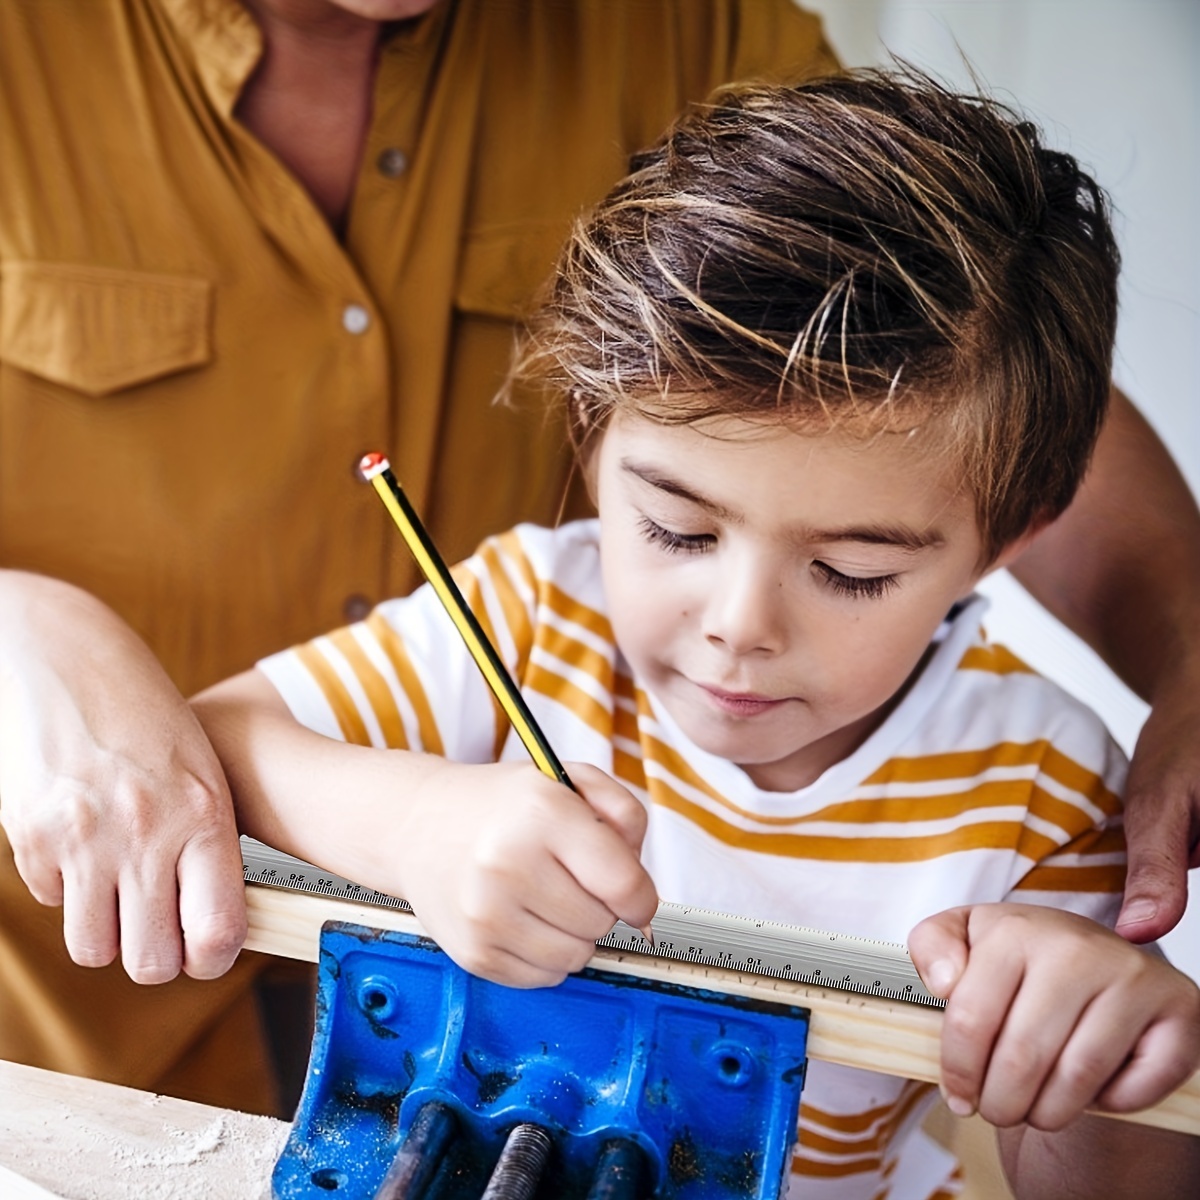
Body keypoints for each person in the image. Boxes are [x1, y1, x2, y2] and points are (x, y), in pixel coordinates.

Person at [1, 0, 1198, 1115]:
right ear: (587, 432)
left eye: (853, 570)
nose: (741, 624)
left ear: (1011, 536)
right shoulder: (533, 608)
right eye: (676, 528)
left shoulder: (1042, 787)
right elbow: (230, 733)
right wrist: (413, 821)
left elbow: (968, 364)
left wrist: (1104, 1056)